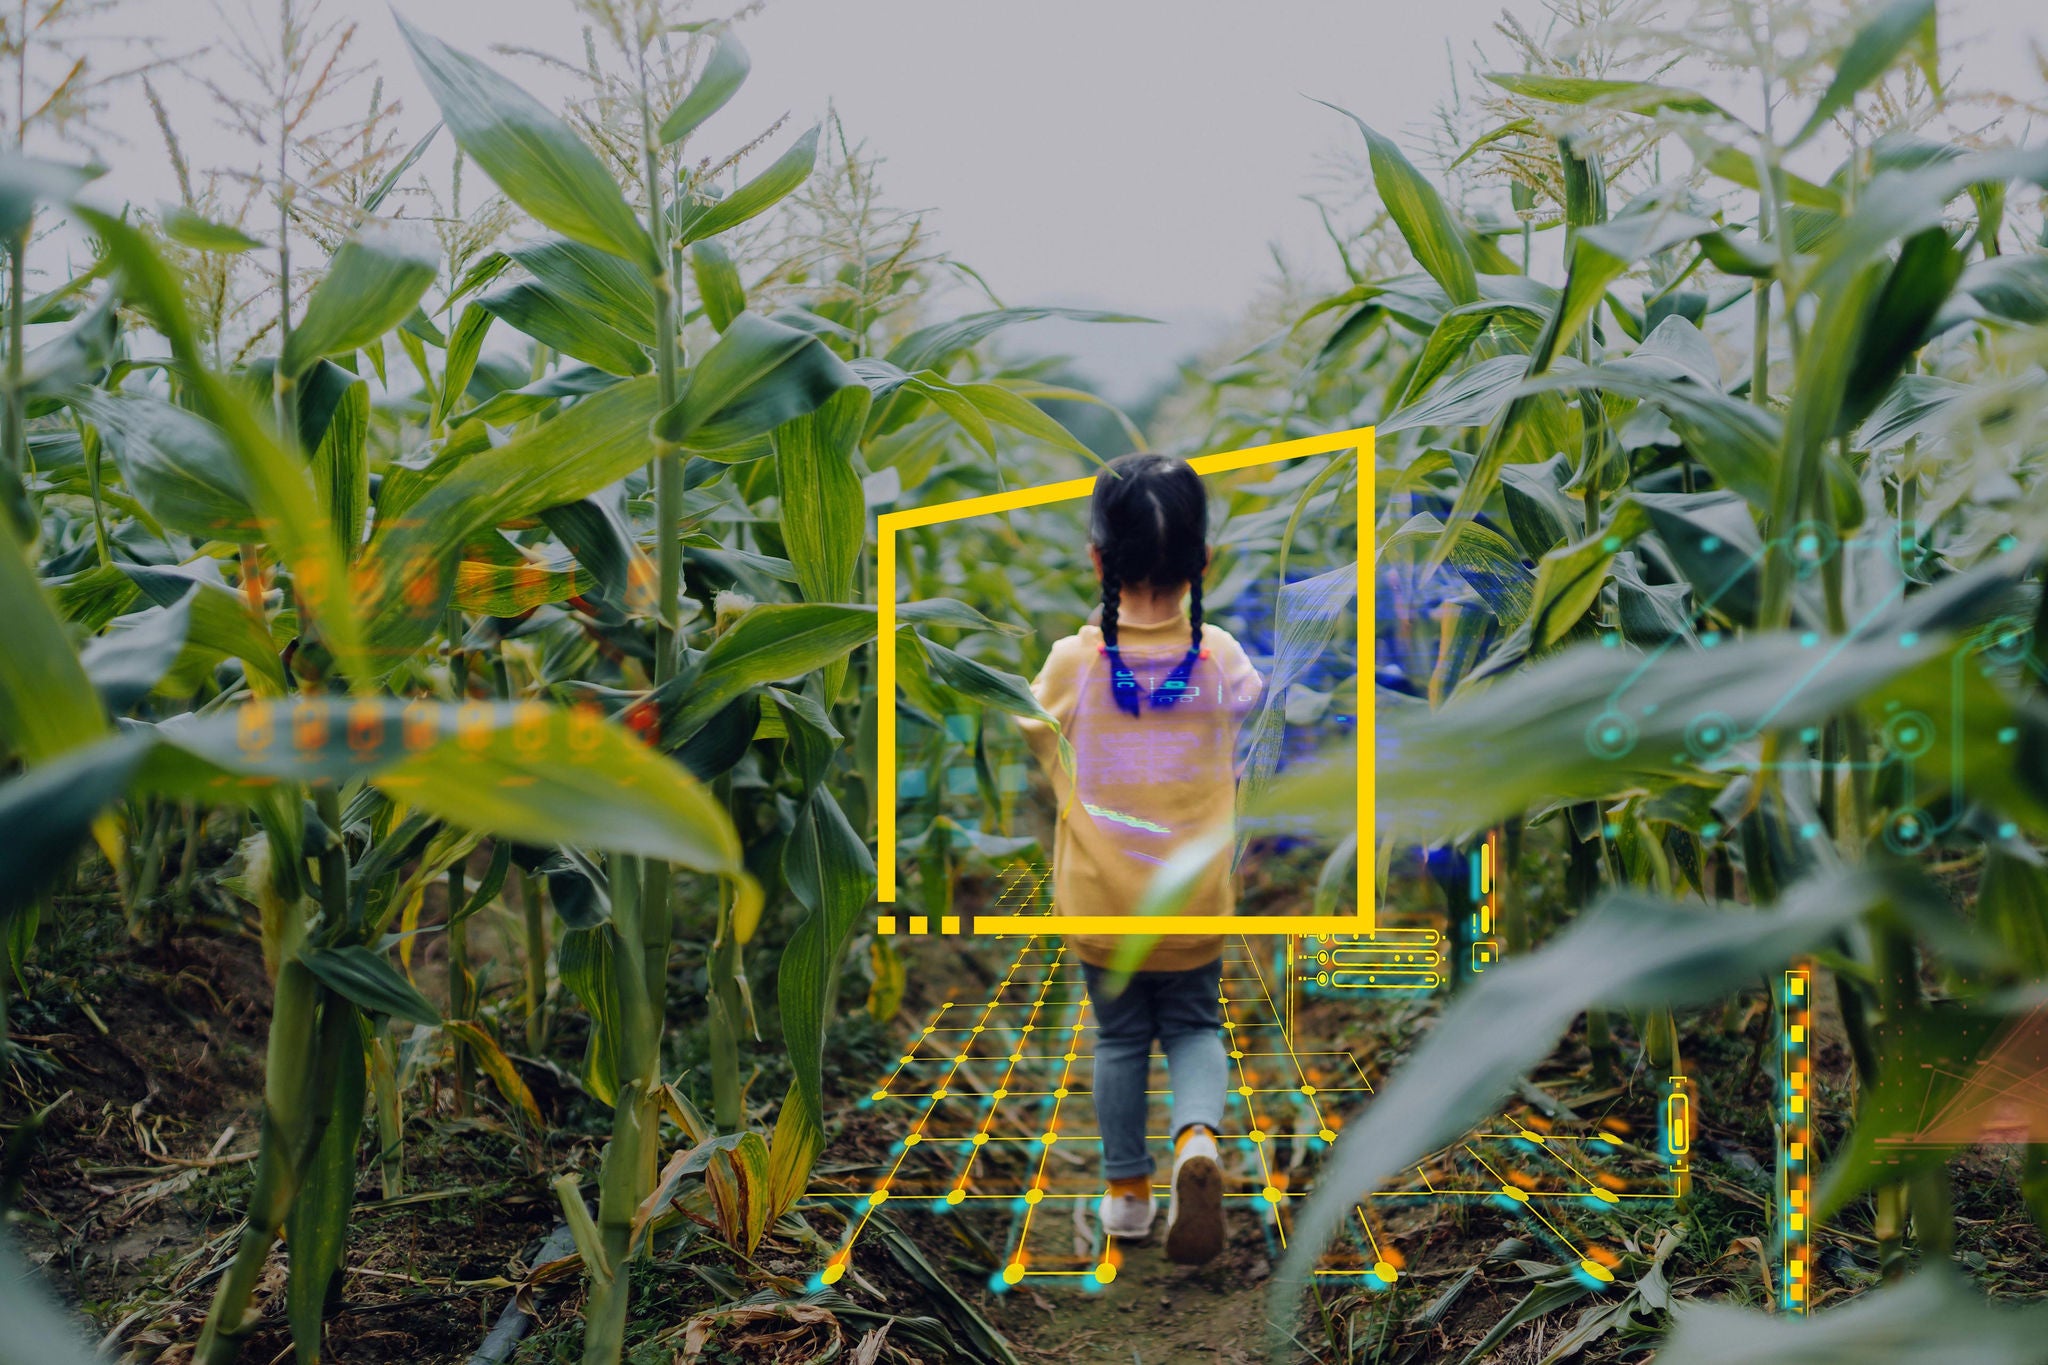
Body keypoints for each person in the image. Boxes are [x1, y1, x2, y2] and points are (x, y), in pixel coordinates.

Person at [1014, 452, 1264, 1266]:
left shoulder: (1069, 664)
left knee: (1119, 1039)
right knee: (1193, 1022)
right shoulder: (1220, 658)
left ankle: (1126, 1194)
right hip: (1194, 897)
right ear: (1205, 562)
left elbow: (1030, 736)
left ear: (1097, 559)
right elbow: (1256, 730)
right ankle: (1197, 1135)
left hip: (1101, 901)